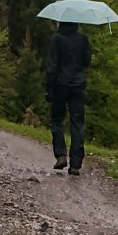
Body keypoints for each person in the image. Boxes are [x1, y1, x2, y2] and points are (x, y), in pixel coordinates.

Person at [44, 19, 92, 175]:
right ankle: (76, 164)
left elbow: (52, 66)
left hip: (60, 84)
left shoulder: (56, 39)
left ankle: (61, 155)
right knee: (77, 123)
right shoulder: (83, 39)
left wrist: (49, 88)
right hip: (78, 85)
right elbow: (87, 62)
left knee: (57, 119)